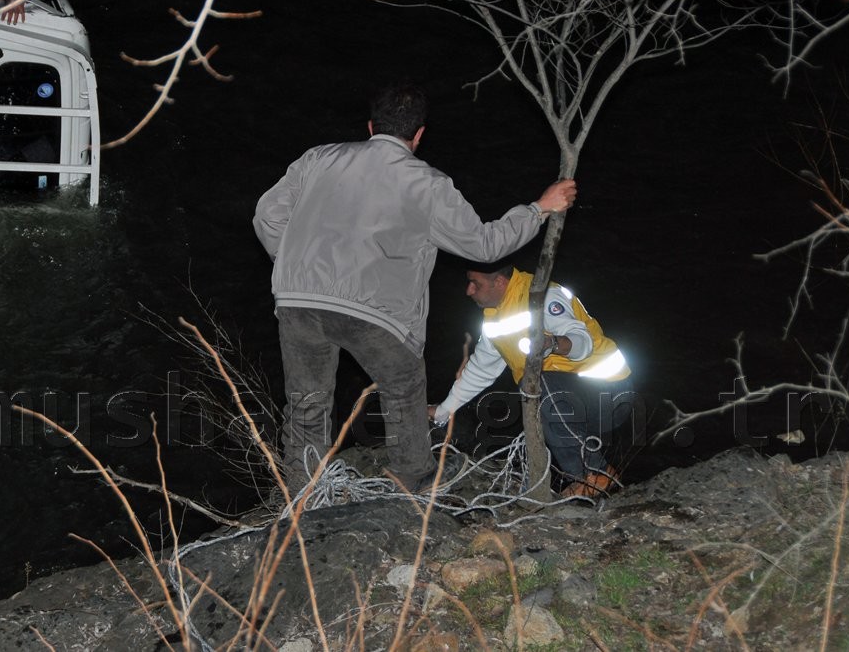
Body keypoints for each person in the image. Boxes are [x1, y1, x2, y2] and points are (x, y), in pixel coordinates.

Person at [252, 83, 577, 494]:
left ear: (370, 126)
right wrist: (538, 209)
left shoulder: (318, 158)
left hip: (299, 302)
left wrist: (294, 265)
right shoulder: (429, 184)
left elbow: (267, 214)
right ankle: (411, 481)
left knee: (306, 402)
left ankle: (302, 492)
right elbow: (484, 244)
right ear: (419, 135)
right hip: (377, 312)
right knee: (404, 387)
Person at [429, 264, 635, 498]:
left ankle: (595, 474)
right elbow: (480, 371)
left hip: (608, 392)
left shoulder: (542, 294)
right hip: (571, 402)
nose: (469, 290)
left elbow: (581, 341)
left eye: (476, 283)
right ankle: (541, 487)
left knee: (537, 383)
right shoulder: (493, 320)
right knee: (530, 402)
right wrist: (444, 411)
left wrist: (552, 344)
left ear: (499, 282)